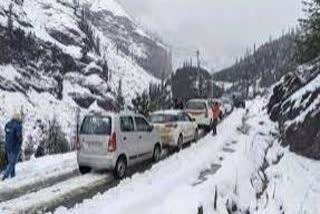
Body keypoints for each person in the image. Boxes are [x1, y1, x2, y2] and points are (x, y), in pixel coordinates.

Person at [2, 112, 22, 181]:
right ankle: (5, 176)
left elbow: (6, 131)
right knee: (12, 163)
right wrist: (20, 143)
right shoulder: (18, 126)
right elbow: (19, 136)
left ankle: (13, 177)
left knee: (10, 162)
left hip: (7, 146)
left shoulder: (7, 124)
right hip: (14, 147)